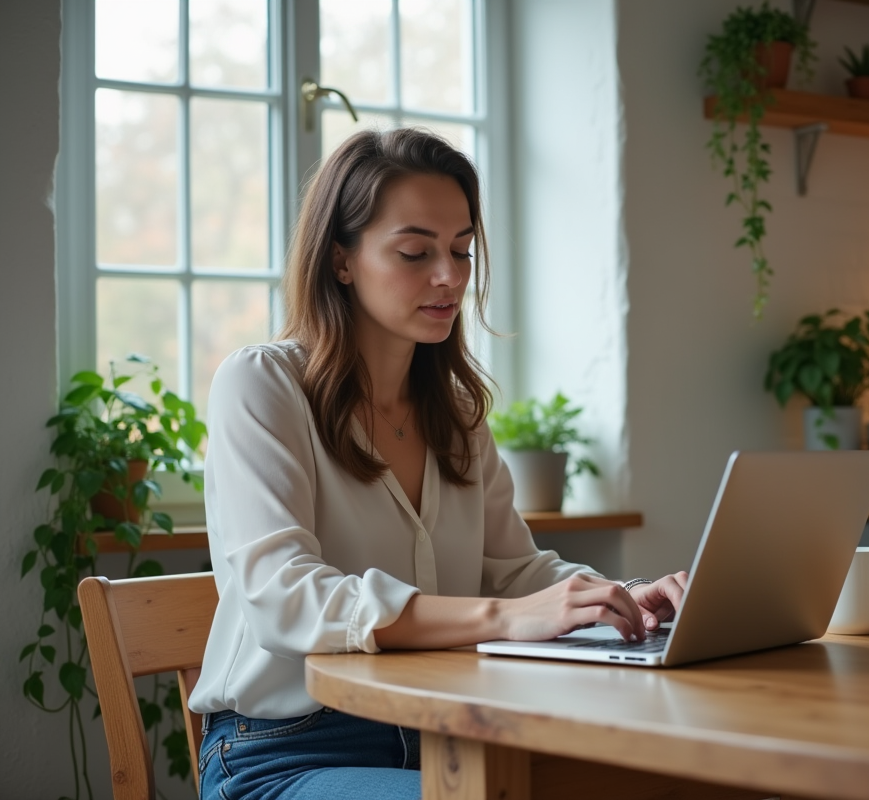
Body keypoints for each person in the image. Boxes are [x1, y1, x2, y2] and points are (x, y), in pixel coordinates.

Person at [187, 127, 688, 800]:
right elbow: (284, 597)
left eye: (461, 251)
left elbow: (518, 571)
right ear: (341, 260)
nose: (449, 277)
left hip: (449, 732)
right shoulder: (261, 385)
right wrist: (506, 619)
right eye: (415, 252)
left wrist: (617, 597)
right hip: (286, 751)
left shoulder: (456, 412)